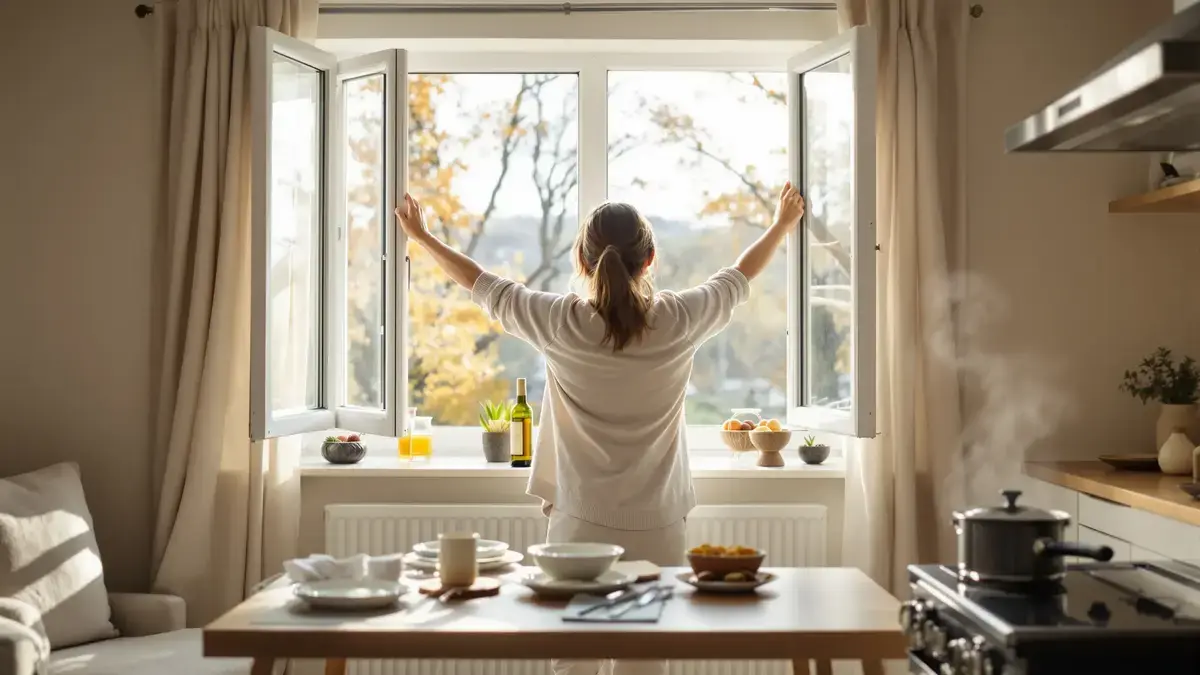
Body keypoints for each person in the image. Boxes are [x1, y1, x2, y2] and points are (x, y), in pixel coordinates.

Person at [395, 183, 805, 675]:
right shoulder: (679, 319)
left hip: (578, 522)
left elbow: (479, 283)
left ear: (583, 262)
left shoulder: (559, 321)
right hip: (659, 523)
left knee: (573, 661)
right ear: (649, 259)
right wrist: (781, 225)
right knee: (645, 665)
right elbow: (740, 274)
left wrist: (421, 237)